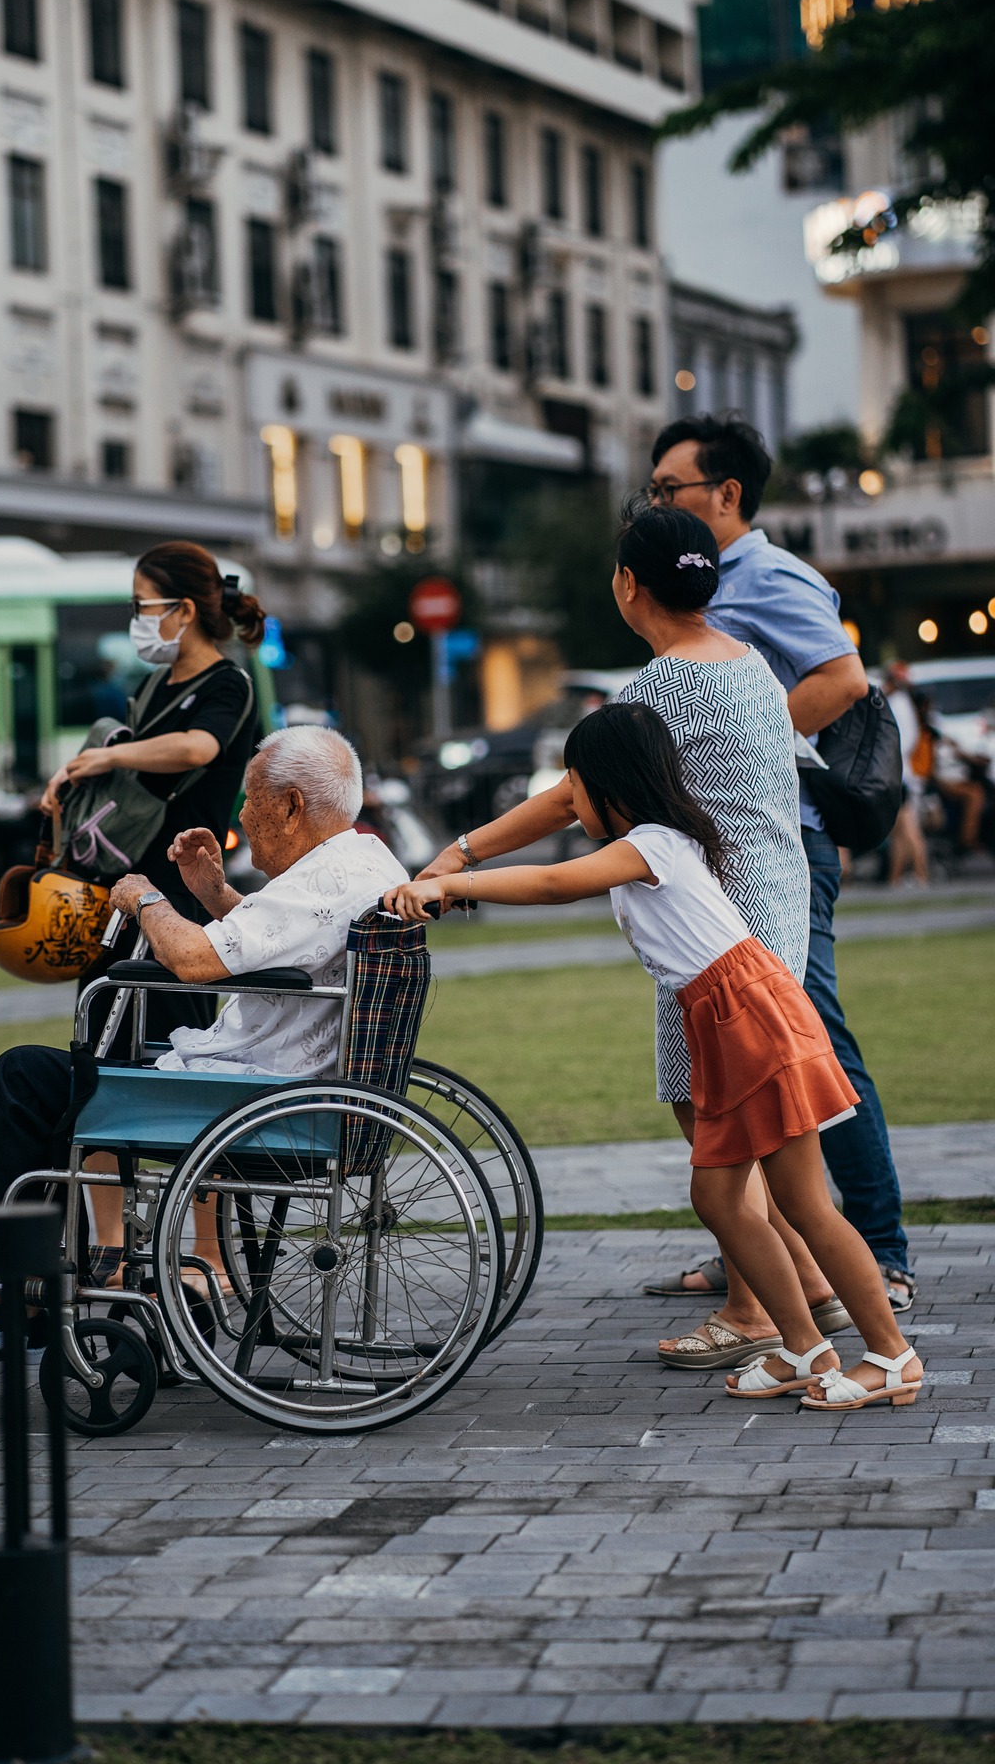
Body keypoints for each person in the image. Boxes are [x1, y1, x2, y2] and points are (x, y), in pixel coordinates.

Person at [388, 703, 923, 1412]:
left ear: (612, 784)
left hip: (751, 1017)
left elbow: (553, 883)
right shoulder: (651, 843)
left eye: (575, 786)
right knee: (718, 1198)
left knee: (804, 1204)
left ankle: (892, 1356)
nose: (568, 802)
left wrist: (451, 881)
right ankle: (803, 1348)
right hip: (720, 1022)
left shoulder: (654, 844)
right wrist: (458, 883)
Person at [418, 506, 846, 1371]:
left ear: (627, 584)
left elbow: (565, 800)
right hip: (773, 905)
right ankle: (809, 1283)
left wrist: (459, 854)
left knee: (715, 1117)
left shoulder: (658, 689)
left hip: (711, 925)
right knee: (745, 1117)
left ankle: (753, 1309)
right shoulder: (749, 662)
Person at [0, 725, 407, 1350]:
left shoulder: (322, 883)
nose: (241, 813)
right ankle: (21, 1293)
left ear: (291, 805)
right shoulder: (360, 863)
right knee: (54, 1087)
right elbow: (277, 942)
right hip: (284, 1090)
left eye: (253, 797)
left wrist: (148, 896)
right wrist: (212, 892)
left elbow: (194, 961)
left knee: (25, 1078)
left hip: (250, 1101)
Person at [644, 412, 913, 1310]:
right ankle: (761, 1261)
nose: (658, 503)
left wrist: (745, 742)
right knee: (740, 1058)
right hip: (721, 845)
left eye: (671, 489)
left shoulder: (770, 575)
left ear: (727, 494)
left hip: (782, 837)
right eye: (653, 491)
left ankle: (880, 1252)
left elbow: (844, 678)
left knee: (808, 1038)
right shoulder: (699, 582)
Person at [41, 540, 263, 1049]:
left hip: (179, 891)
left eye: (142, 605)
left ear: (183, 610)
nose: (136, 618)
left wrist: (112, 756)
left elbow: (198, 747)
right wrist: (75, 775)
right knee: (100, 1038)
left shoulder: (228, 684)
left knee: (169, 1042)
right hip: (123, 886)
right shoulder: (151, 686)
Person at [881, 663, 929, 888]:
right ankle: (895, 879)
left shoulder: (898, 704)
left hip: (898, 775)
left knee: (909, 828)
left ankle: (921, 874)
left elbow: (903, 741)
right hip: (898, 773)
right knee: (900, 831)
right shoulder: (900, 703)